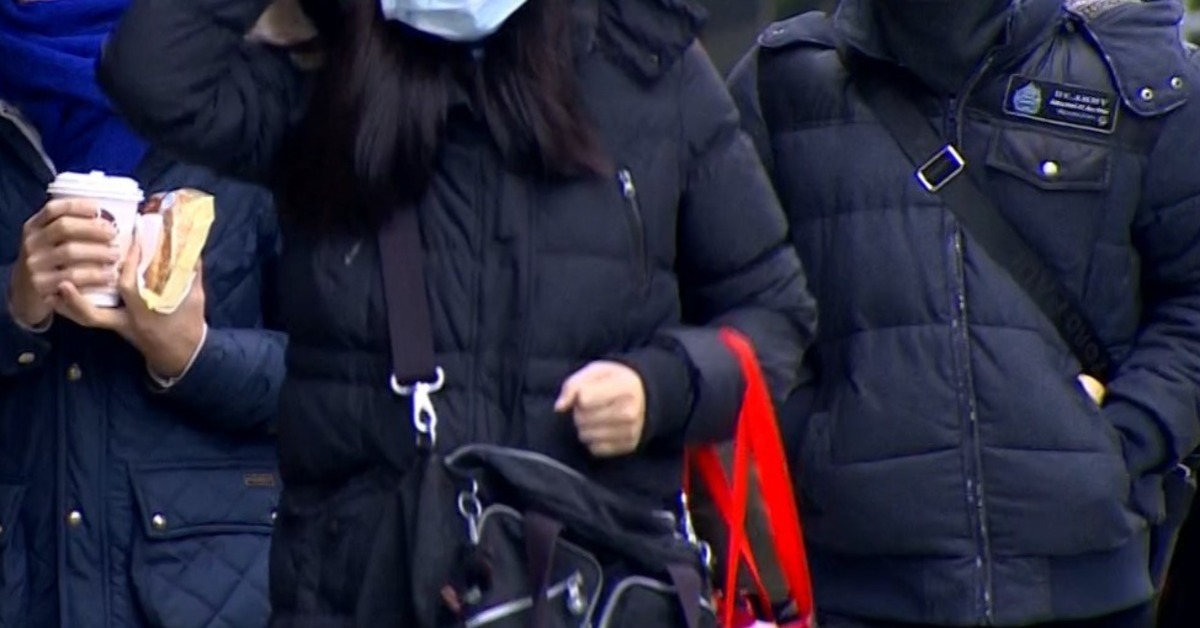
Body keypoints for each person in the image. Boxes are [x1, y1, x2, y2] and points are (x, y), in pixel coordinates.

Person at [97, 0, 817, 624]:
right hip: (361, 586)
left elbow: (773, 310)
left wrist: (659, 388)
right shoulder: (331, 69)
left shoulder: (644, 64)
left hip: (591, 577)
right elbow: (151, 74)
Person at [729, 0, 1200, 627]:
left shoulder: (1138, 78)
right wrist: (815, 443)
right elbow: (734, 302)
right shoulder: (782, 83)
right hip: (854, 583)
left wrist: (1131, 437)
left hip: (1090, 583)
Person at [0, 1, 286, 626]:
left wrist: (193, 354)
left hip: (214, 590)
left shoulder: (249, 92)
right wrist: (13, 306)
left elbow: (347, 384)